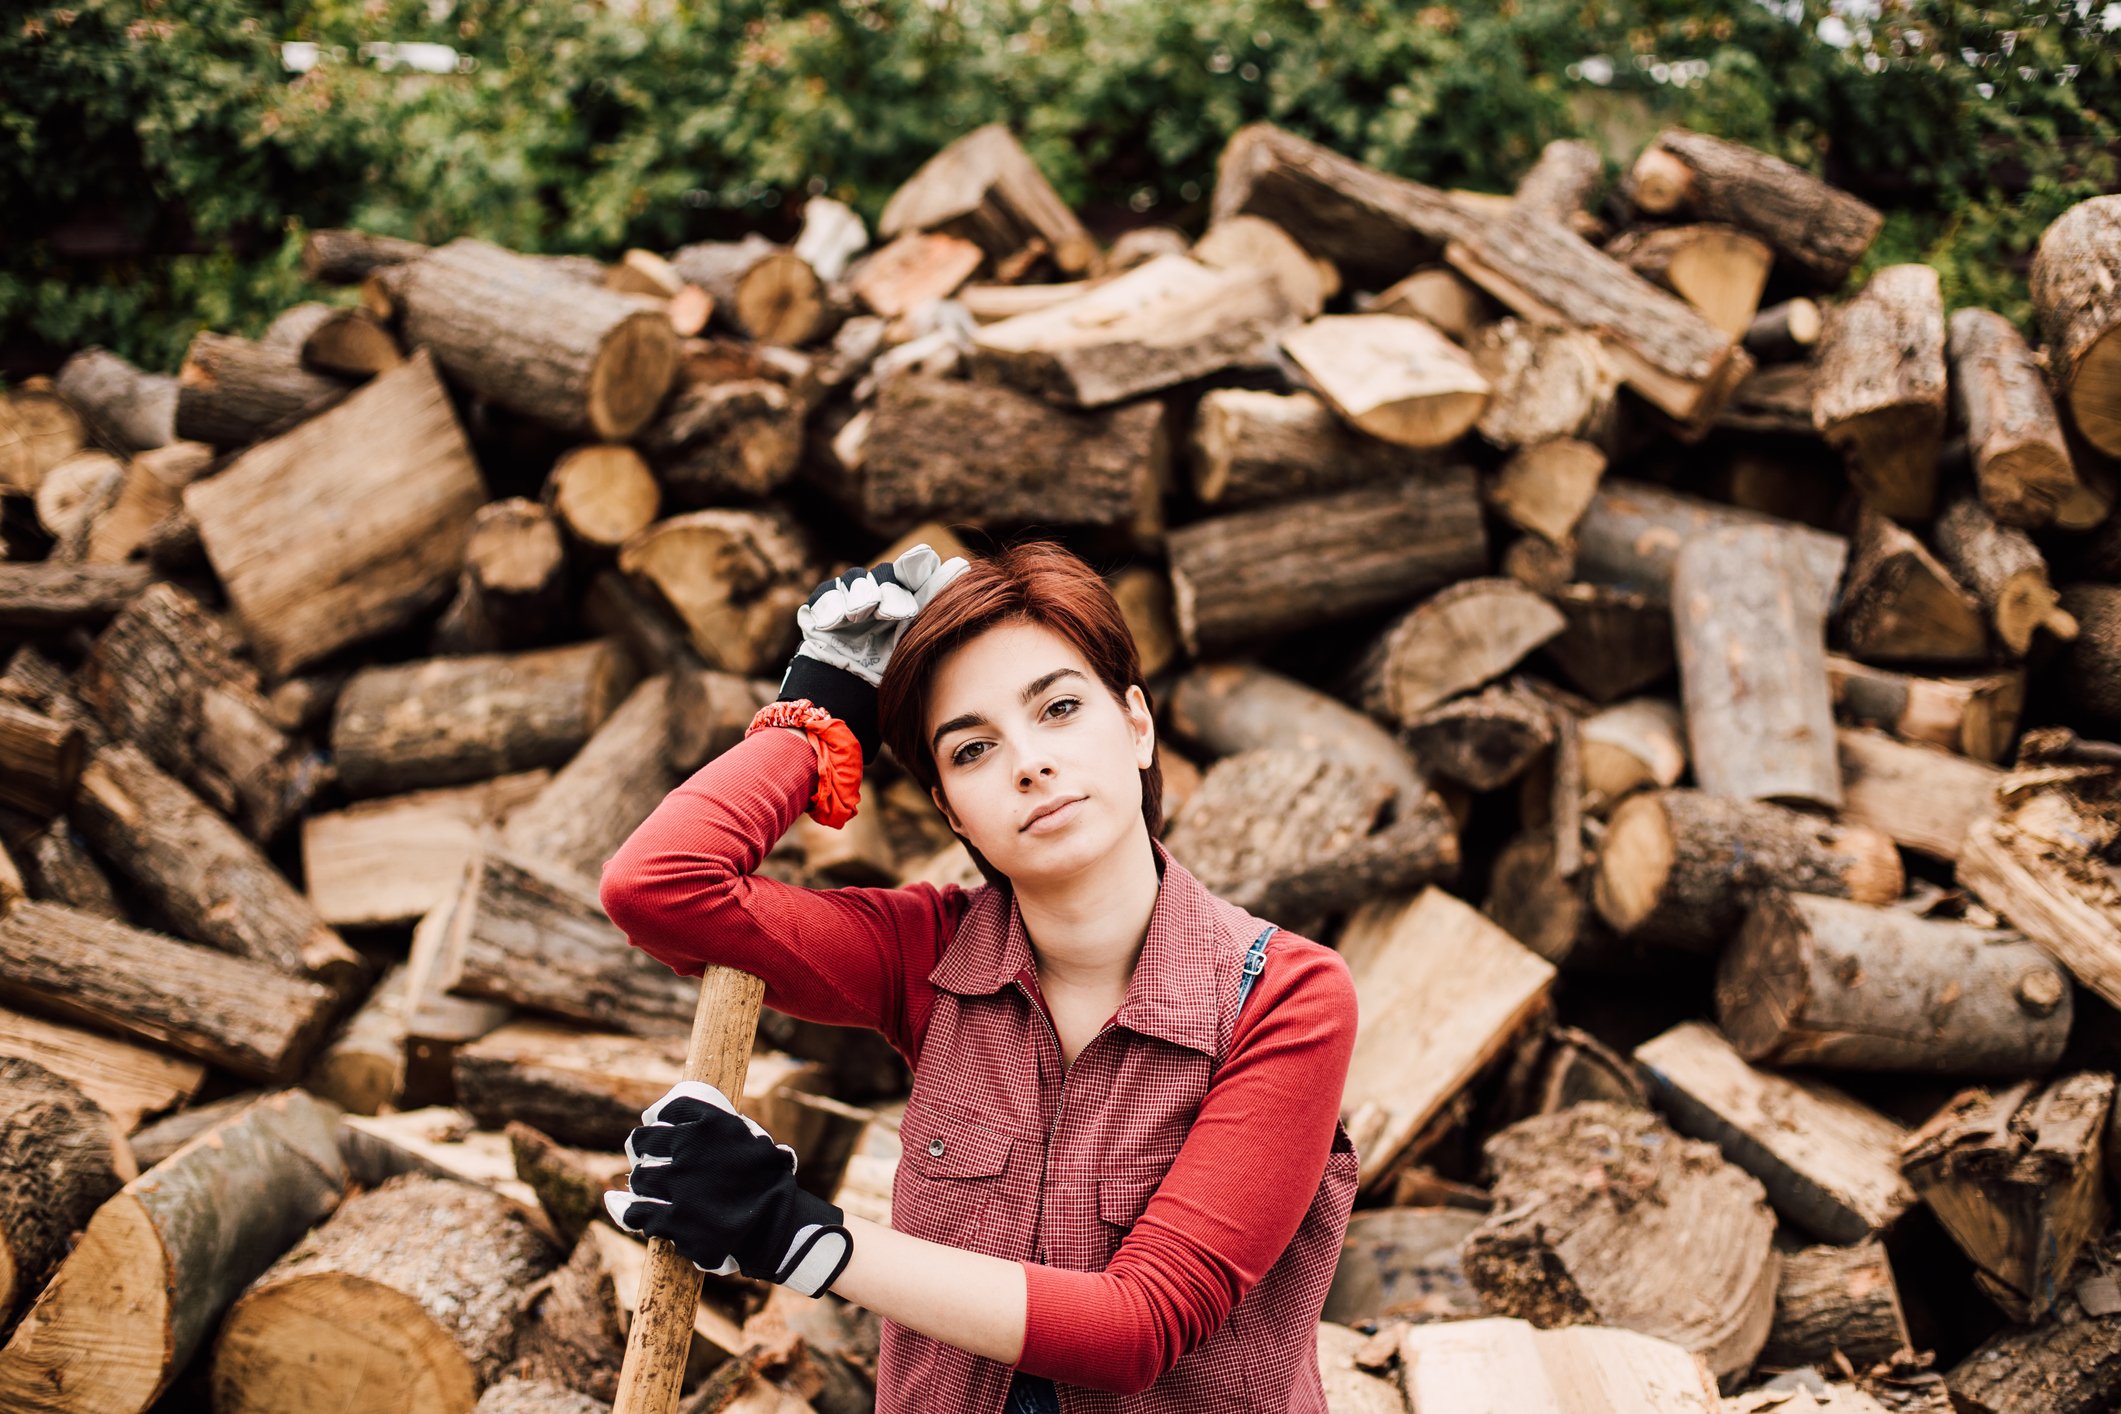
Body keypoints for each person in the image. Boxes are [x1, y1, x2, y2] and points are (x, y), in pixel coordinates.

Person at [597, 539, 1361, 1413]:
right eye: (971, 751)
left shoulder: (1284, 996)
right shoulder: (925, 957)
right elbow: (658, 885)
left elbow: (1137, 1329)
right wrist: (815, 713)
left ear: (1138, 726)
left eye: (1061, 708)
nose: (1028, 763)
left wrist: (796, 1236)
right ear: (949, 812)